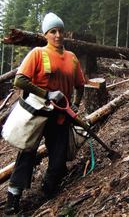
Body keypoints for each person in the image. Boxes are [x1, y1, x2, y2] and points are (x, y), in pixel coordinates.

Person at [4, 12, 86, 215]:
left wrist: (75, 104)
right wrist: (47, 93)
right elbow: (20, 80)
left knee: (58, 158)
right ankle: (12, 199)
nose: (58, 35)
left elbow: (80, 84)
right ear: (46, 35)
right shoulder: (38, 54)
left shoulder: (72, 58)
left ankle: (47, 194)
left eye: (60, 31)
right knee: (27, 155)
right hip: (37, 114)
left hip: (61, 116)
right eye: (53, 31)